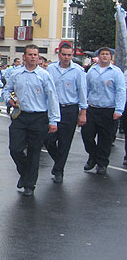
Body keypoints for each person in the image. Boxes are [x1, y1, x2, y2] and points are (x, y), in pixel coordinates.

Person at [2, 45, 60, 196]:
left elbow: (52, 97)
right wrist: (9, 100)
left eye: (36, 55)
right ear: (24, 57)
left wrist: (53, 120)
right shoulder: (16, 74)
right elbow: (6, 90)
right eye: (30, 54)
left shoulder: (44, 75)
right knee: (15, 149)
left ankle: (30, 185)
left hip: (38, 117)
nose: (33, 57)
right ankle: (25, 173)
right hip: (20, 116)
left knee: (34, 152)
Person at [45, 43, 87, 183]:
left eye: (69, 55)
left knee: (65, 141)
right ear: (59, 55)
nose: (66, 57)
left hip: (70, 109)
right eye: (64, 54)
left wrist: (83, 112)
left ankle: (58, 170)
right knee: (49, 140)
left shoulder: (78, 71)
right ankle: (59, 162)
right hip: (53, 108)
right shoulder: (51, 69)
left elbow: (82, 92)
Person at [81, 46, 126, 174]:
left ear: (110, 57)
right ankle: (93, 156)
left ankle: (102, 163)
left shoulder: (116, 72)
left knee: (105, 138)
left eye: (107, 54)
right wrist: (83, 106)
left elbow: (121, 91)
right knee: (87, 135)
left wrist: (119, 109)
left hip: (108, 109)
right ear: (98, 56)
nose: (105, 56)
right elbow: (86, 89)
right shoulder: (92, 71)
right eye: (102, 54)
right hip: (92, 108)